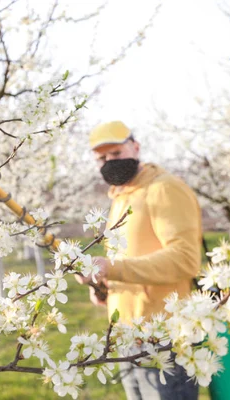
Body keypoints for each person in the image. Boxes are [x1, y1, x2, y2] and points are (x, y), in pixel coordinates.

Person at [77, 121, 202, 400]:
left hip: (164, 335)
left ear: (135, 146)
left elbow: (185, 259)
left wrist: (114, 268)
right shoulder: (121, 197)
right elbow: (128, 257)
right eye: (102, 158)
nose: (109, 162)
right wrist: (105, 286)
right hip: (126, 335)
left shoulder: (164, 189)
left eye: (116, 153)